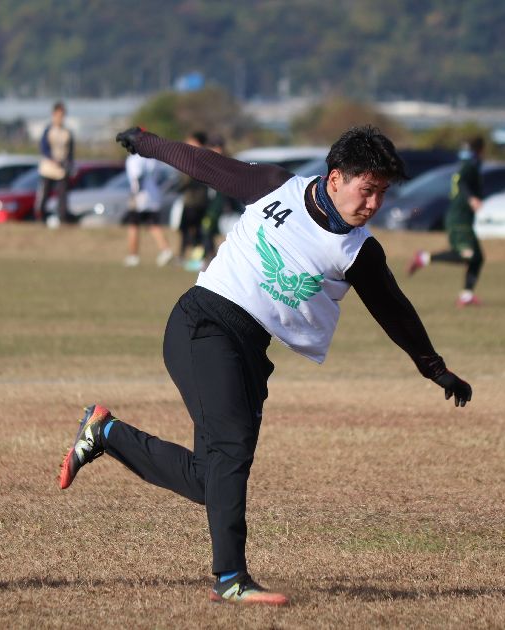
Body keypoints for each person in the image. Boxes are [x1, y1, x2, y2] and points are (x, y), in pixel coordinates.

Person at [59, 125, 473, 606]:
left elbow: (395, 311)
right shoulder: (276, 187)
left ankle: (106, 433)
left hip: (250, 351)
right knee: (230, 454)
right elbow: (205, 165)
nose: (374, 203)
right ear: (336, 177)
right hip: (202, 323)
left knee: (213, 478)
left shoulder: (359, 251)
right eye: (367, 189)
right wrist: (149, 144)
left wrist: (434, 368)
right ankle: (230, 578)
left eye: (382, 192)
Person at [407, 137, 486, 307]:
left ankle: (466, 296)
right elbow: (463, 182)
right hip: (459, 219)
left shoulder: (466, 164)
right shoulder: (470, 166)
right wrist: (472, 198)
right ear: (480, 150)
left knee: (477, 258)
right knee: (468, 255)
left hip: (463, 218)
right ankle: (424, 258)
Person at [123, 152, 174, 267]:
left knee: (133, 225)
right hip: (153, 195)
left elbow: (137, 177)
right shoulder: (152, 157)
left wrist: (135, 195)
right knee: (153, 225)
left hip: (141, 196)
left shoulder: (135, 158)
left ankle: (133, 256)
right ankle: (166, 250)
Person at [198, 134, 240, 269]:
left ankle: (228, 261)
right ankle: (209, 258)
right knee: (206, 230)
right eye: (214, 146)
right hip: (211, 205)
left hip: (225, 206)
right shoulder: (205, 162)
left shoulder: (228, 163)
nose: (218, 149)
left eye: (219, 146)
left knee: (230, 234)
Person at [34, 101, 75, 226]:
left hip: (62, 169)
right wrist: (52, 159)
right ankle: (41, 217)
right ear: (53, 114)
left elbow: (70, 151)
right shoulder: (48, 130)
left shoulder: (67, 132)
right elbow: (43, 148)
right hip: (48, 168)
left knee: (62, 196)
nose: (60, 118)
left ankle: (63, 218)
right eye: (58, 115)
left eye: (62, 115)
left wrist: (69, 164)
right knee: (44, 194)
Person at [177, 131, 211, 270]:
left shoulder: (195, 157)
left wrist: (179, 187)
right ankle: (196, 257)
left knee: (191, 230)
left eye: (190, 140)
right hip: (199, 201)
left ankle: (194, 258)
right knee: (193, 230)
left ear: (197, 142)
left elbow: (185, 180)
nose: (187, 143)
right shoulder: (206, 157)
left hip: (194, 202)